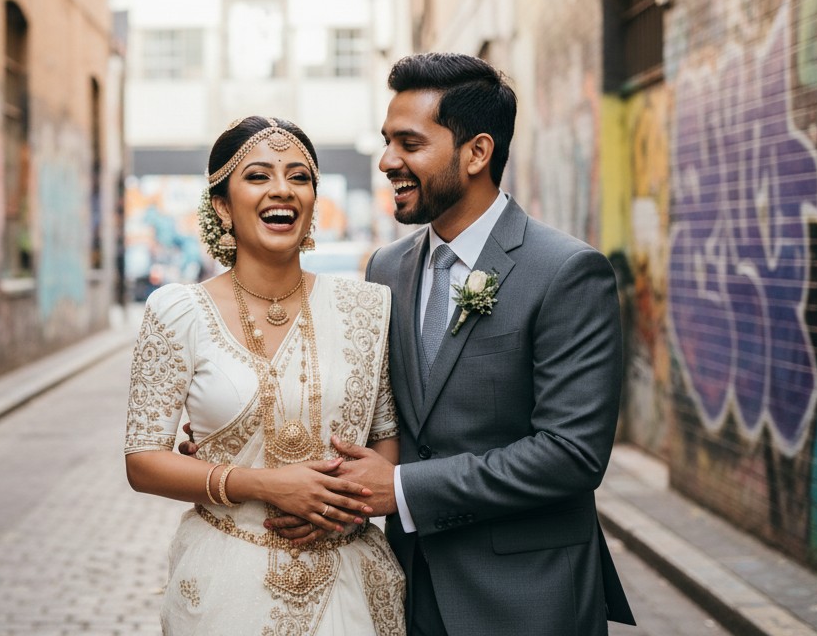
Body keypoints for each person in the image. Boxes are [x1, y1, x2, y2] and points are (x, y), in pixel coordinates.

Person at [267, 53, 635, 634]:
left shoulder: (566, 272)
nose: (388, 161)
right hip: (408, 587)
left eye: (409, 144)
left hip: (527, 596)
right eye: (387, 141)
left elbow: (572, 454)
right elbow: (368, 410)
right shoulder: (387, 269)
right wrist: (235, 441)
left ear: (477, 153)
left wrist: (405, 489)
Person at [124, 116, 407, 635]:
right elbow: (143, 461)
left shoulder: (365, 306)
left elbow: (386, 439)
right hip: (227, 582)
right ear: (222, 206)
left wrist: (341, 507)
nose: (283, 189)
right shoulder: (178, 311)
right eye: (258, 176)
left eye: (299, 177)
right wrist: (268, 485)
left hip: (348, 580)